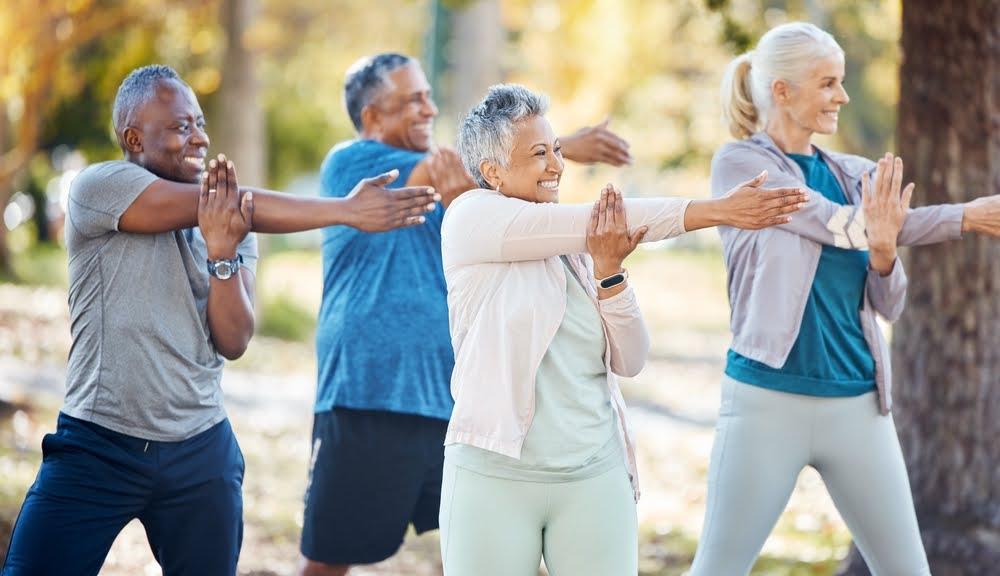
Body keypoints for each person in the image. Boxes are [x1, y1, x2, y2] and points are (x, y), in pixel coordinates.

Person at [0, 64, 438, 576]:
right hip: (99, 445)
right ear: (135, 137)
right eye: (181, 126)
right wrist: (343, 210)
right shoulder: (101, 188)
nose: (200, 137)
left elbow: (233, 340)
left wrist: (223, 253)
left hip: (199, 451)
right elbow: (230, 204)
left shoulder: (233, 224)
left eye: (200, 123)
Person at [437, 83, 807, 576]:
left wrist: (610, 272)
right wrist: (716, 210)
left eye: (558, 150)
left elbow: (631, 360)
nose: (556, 165)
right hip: (493, 473)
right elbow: (607, 219)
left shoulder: (576, 248)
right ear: (492, 172)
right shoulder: (470, 218)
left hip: (593, 472)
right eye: (539, 153)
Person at [299, 53, 643, 576]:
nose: (428, 108)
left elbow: (496, 172)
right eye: (411, 98)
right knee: (331, 557)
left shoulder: (468, 189)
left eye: (427, 96)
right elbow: (467, 166)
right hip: (368, 390)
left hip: (454, 395)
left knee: (467, 543)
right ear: (371, 116)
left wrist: (552, 151)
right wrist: (568, 143)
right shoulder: (352, 164)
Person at [691, 22, 1000, 575]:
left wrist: (884, 253)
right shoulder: (740, 167)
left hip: (859, 405)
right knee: (718, 569)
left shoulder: (856, 174)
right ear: (782, 90)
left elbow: (889, 301)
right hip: (767, 401)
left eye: (842, 82)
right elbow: (831, 223)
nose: (843, 95)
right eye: (828, 83)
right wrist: (965, 216)